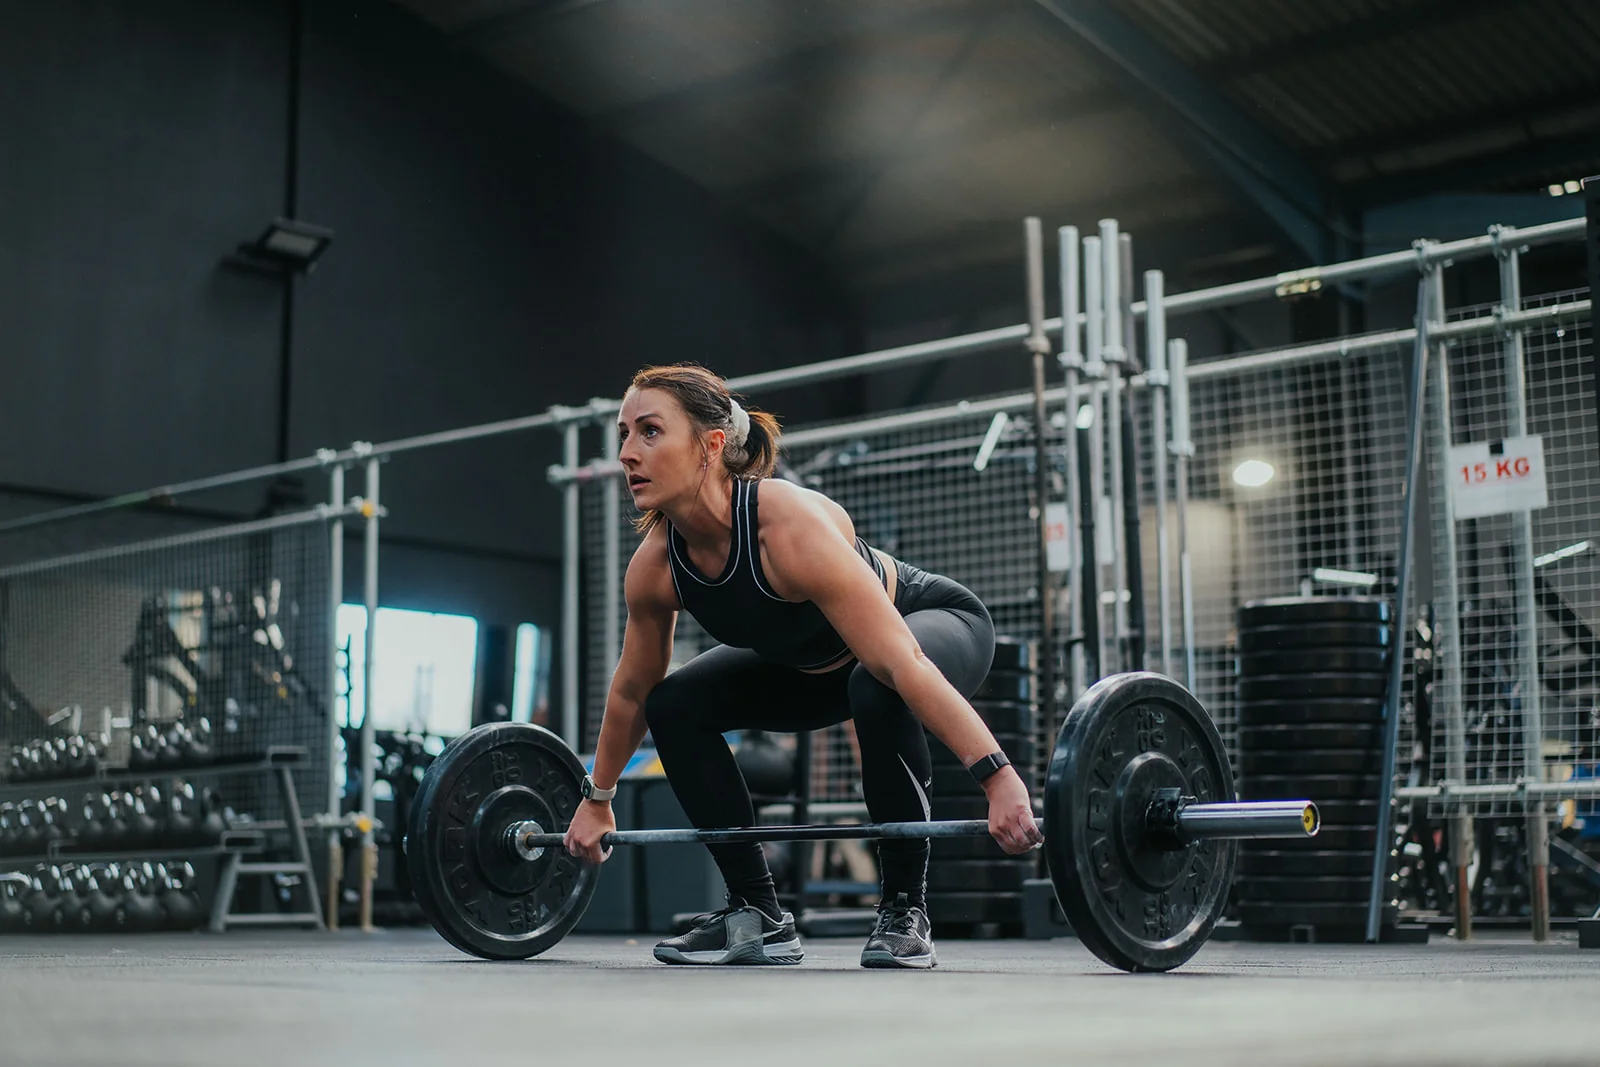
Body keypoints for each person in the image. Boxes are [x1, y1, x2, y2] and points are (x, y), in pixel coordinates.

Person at [564, 363, 1043, 969]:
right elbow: (632, 693)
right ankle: (758, 915)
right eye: (623, 435)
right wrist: (597, 797)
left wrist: (997, 778)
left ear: (711, 445)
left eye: (650, 432)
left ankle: (905, 911)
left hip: (932, 627)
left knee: (877, 683)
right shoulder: (656, 568)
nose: (628, 453)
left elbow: (903, 663)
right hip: (819, 669)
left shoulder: (783, 526)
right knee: (673, 704)